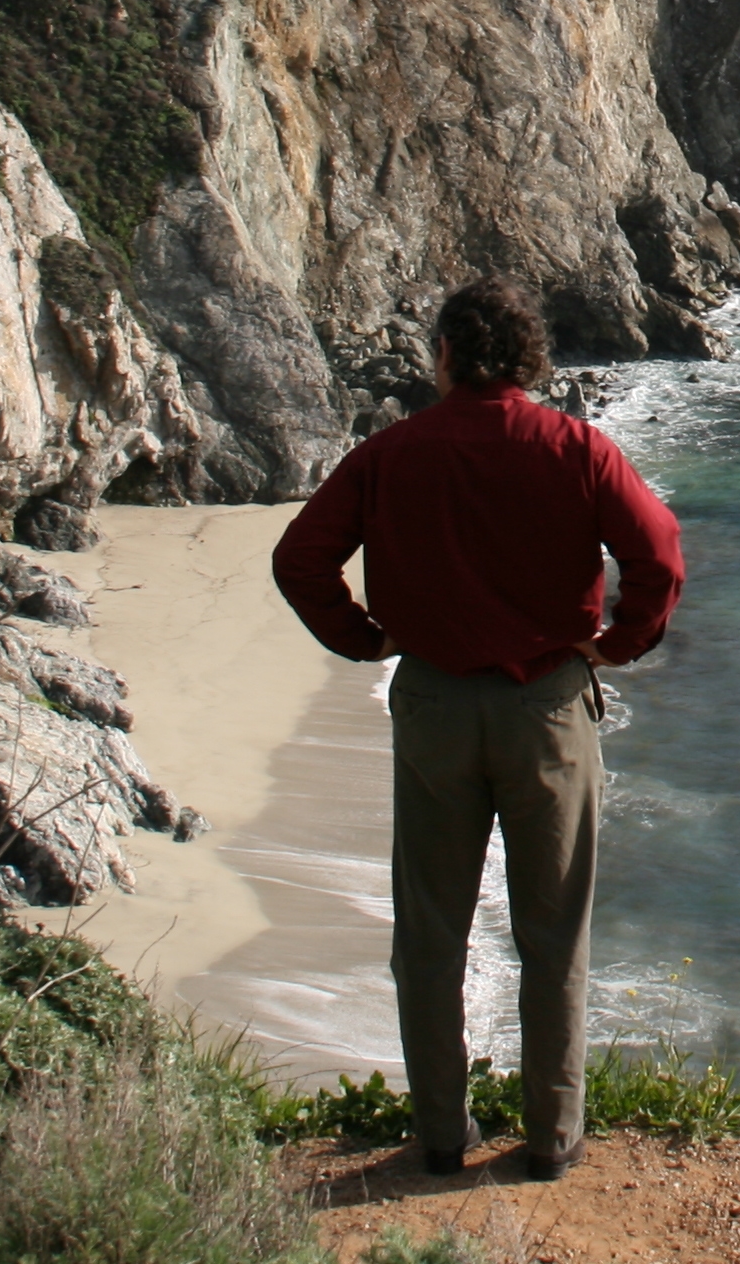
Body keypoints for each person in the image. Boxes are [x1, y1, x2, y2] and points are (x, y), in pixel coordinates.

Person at [271, 279, 685, 1180]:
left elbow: (300, 558)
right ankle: (551, 1138)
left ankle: (440, 1136)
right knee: (552, 931)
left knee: (429, 933)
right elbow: (658, 555)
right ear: (532, 358)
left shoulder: (391, 453)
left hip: (431, 706)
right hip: (546, 709)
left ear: (446, 355)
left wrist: (365, 635)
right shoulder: (577, 449)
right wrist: (616, 647)